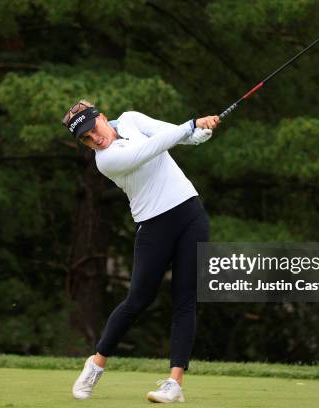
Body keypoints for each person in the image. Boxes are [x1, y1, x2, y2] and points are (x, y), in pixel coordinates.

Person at [62, 99, 219, 403]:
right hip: (153, 226)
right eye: (85, 139)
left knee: (186, 300)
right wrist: (190, 125)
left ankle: (174, 384)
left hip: (191, 214)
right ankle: (96, 365)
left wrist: (202, 131)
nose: (94, 139)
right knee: (137, 301)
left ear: (103, 117)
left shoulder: (132, 119)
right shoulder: (105, 160)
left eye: (92, 129)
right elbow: (151, 149)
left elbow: (177, 134)